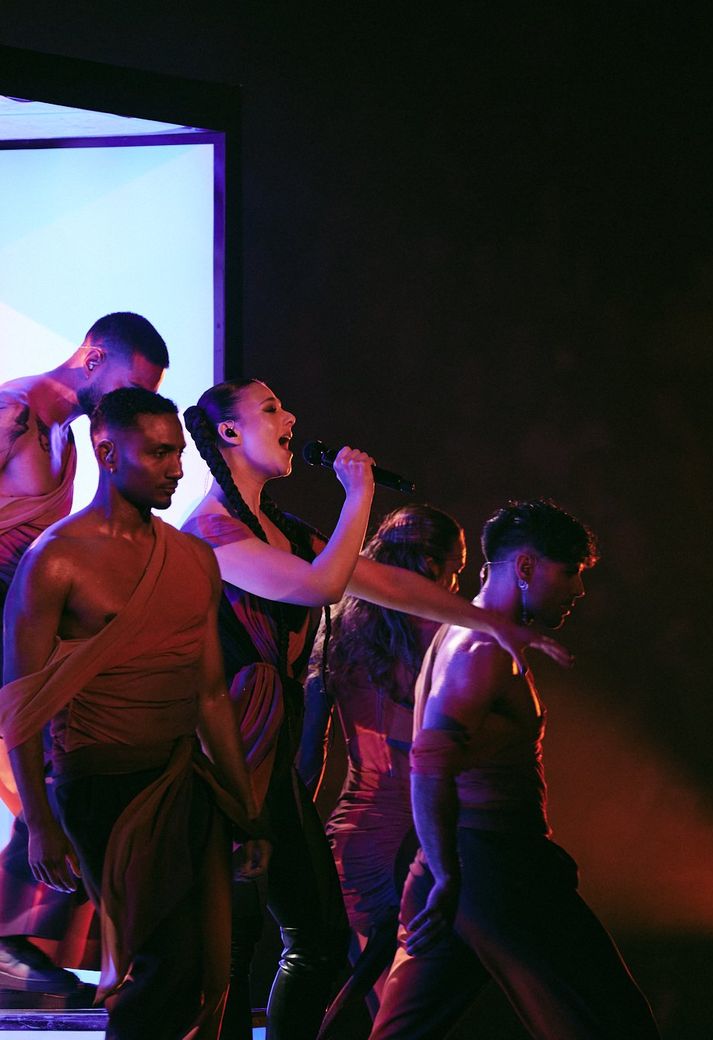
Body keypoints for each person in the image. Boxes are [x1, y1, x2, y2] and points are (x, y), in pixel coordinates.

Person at [180, 379, 571, 1040]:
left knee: (315, 939)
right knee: (238, 945)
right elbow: (321, 584)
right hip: (222, 759)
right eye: (271, 409)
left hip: (266, 762)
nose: (290, 416)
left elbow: (387, 583)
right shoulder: (212, 533)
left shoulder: (283, 531)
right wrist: (358, 493)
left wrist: (500, 626)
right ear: (227, 434)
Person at [0, 387, 269, 1040]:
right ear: (105, 450)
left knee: (210, 972)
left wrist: (245, 811)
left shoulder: (194, 559)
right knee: (163, 967)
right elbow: (20, 704)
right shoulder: (55, 560)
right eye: (157, 452)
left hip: (183, 780)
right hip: (102, 786)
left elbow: (208, 694)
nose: (176, 467)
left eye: (177, 451)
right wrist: (38, 820)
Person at [369, 499, 661, 1040]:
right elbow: (430, 762)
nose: (577, 591)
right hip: (492, 867)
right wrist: (450, 872)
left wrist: (442, 872)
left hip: (462, 867)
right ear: (525, 568)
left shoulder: (464, 637)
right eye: (570, 572)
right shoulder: (480, 646)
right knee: (612, 1024)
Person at [0, 312, 169, 995]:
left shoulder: (70, 438)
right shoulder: (13, 413)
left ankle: (34, 940)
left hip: (22, 621)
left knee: (68, 765)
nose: (130, 402)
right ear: (93, 355)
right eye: (129, 383)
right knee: (44, 766)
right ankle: (16, 940)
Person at [300, 504, 466, 1037]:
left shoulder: (336, 636)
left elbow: (306, 765)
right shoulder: (448, 640)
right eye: (455, 571)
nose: (455, 584)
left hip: (354, 842)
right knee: (404, 1017)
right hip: (421, 839)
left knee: (387, 1011)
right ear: (433, 565)